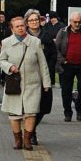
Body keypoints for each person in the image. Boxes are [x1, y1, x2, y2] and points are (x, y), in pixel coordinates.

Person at [0, 15, 52, 151]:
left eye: (22, 25)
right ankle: (18, 140)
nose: (21, 28)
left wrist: (46, 84)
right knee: (14, 114)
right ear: (12, 29)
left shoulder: (35, 42)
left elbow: (43, 64)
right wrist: (9, 67)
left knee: (31, 113)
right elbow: (1, 60)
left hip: (33, 84)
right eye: (17, 26)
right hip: (14, 85)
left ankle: (27, 140)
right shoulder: (6, 42)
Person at [25, 8, 57, 145]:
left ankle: (31, 129)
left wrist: (48, 71)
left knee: (43, 107)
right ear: (27, 23)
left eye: (36, 20)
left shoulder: (47, 36)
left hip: (44, 75)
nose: (34, 22)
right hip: (27, 77)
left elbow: (53, 55)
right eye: (31, 20)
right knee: (30, 107)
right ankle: (30, 133)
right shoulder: (23, 37)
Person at [55, 11, 81, 122]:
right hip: (67, 65)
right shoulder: (62, 32)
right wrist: (62, 60)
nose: (77, 24)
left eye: (79, 22)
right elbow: (56, 48)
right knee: (66, 90)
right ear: (70, 21)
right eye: (75, 22)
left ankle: (80, 110)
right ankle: (67, 112)